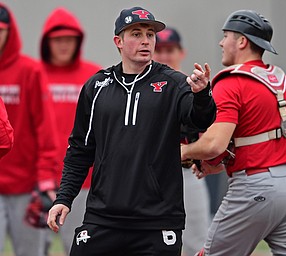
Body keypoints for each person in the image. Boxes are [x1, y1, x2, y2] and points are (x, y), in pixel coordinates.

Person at [47, 6, 216, 256]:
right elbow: (80, 150)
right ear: (119, 41)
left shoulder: (173, 83)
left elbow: (199, 121)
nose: (145, 40)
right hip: (102, 217)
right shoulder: (97, 86)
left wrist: (202, 95)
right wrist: (64, 198)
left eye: (150, 34)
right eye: (136, 34)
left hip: (157, 221)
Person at [181, 9, 286, 256]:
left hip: (256, 187)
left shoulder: (231, 82)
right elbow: (264, 144)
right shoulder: (283, 82)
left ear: (242, 41)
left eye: (226, 36)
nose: (221, 42)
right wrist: (216, 164)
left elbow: (214, 145)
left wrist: (182, 151)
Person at [39, 7, 102, 254]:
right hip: (37, 182)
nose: (64, 45)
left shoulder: (94, 75)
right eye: (57, 40)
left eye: (69, 39)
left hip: (83, 182)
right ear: (47, 42)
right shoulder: (35, 74)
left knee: (77, 247)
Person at [0, 3, 59, 256]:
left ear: (9, 32)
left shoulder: (30, 70)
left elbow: (45, 128)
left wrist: (45, 178)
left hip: (26, 187)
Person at [153, 27, 210, 256]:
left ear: (181, 52)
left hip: (187, 172)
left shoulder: (194, 88)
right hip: (151, 176)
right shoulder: (142, 88)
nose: (165, 55)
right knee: (152, 241)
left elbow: (209, 130)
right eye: (160, 50)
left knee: (198, 240)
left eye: (170, 50)